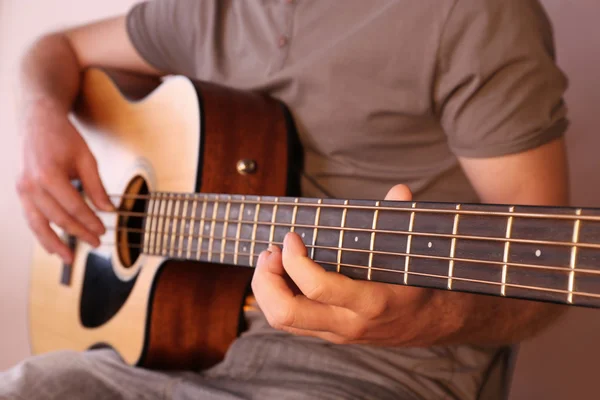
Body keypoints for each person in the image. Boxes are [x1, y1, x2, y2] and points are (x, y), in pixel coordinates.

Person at [3, 0, 570, 399]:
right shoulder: (205, 10)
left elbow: (543, 282)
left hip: (374, 373)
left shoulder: (472, 14)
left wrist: (423, 318)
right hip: (165, 353)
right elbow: (55, 49)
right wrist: (40, 114)